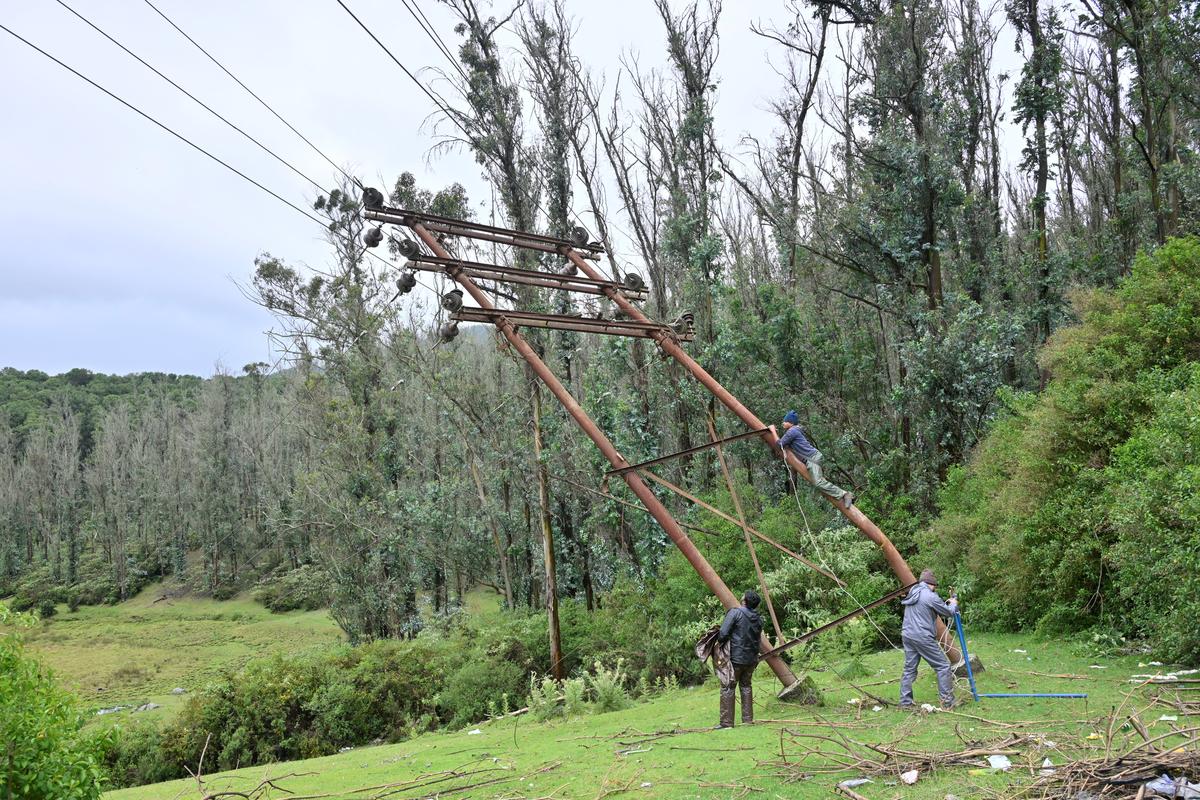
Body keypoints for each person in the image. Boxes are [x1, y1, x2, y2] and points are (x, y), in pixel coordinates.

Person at [899, 569, 958, 709]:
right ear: (932, 584)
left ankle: (905, 702)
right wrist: (953, 603)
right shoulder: (931, 596)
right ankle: (948, 702)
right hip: (922, 636)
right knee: (943, 666)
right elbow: (949, 612)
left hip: (907, 635)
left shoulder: (913, 592)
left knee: (909, 669)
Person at [773, 410, 854, 508]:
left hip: (812, 458)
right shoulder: (795, 431)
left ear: (791, 422)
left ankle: (845, 494)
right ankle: (842, 494)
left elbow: (779, 444)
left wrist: (773, 431)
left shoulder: (792, 431)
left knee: (818, 482)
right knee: (819, 482)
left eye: (785, 421)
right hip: (812, 458)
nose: (783, 423)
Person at [715, 590, 763, 728]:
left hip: (736, 658)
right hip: (752, 659)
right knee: (746, 686)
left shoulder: (735, 613)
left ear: (744, 601)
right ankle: (747, 720)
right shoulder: (759, 618)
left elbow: (723, 633)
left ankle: (726, 723)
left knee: (728, 686)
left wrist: (721, 643)